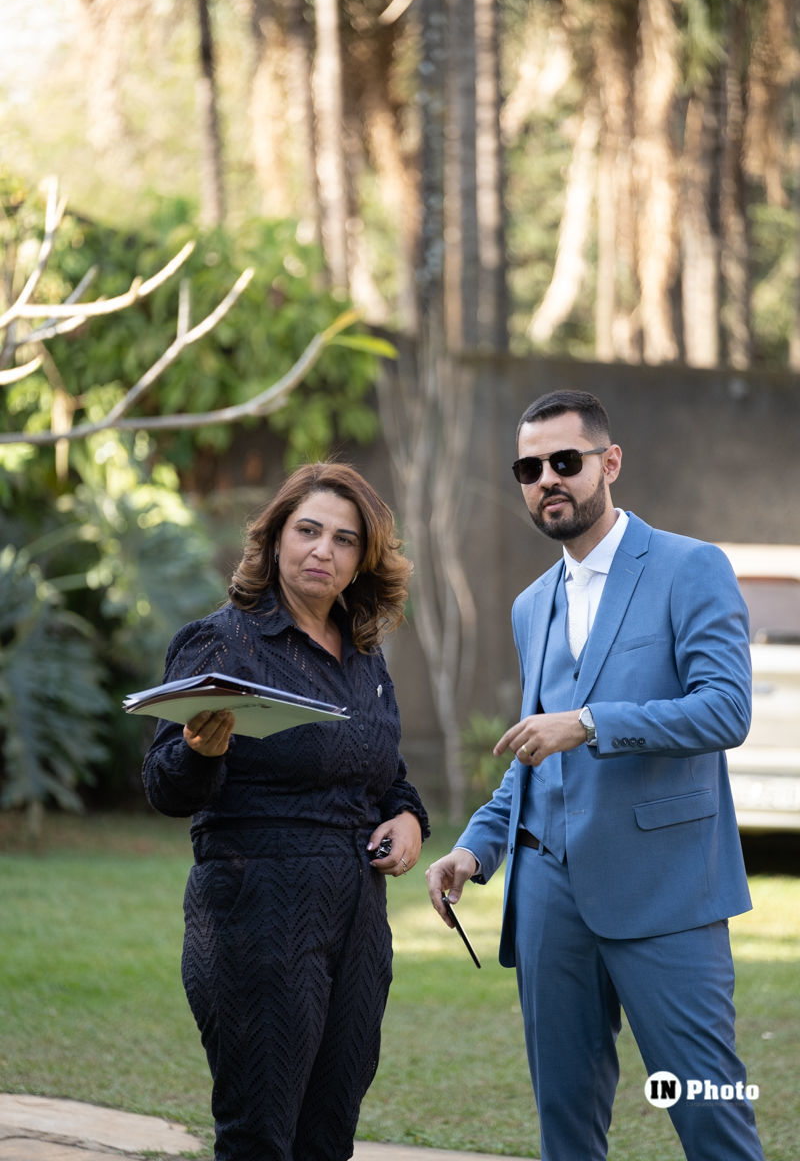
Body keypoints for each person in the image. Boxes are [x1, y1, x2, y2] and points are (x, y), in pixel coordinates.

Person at [425, 390, 764, 1161]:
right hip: (549, 901)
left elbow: (725, 711)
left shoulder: (690, 567)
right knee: (565, 1125)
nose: (548, 478)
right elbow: (532, 756)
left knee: (710, 1106)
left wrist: (591, 721)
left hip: (667, 890)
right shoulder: (528, 606)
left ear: (609, 464)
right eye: (530, 466)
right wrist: (478, 849)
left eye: (566, 462)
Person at [143, 461, 429, 1161]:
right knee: (259, 1135)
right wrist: (199, 750)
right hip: (256, 909)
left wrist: (410, 817)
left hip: (358, 920)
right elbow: (164, 788)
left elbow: (383, 773)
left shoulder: (364, 655)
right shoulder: (221, 644)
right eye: (307, 531)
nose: (322, 550)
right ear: (274, 539)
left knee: (329, 1133)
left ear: (363, 560)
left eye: (344, 539)